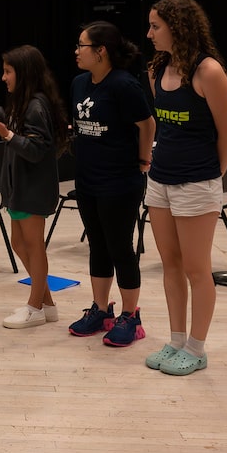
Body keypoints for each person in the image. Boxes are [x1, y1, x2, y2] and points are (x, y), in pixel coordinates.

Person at [143, 0, 227, 376]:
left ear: (177, 27)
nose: (149, 33)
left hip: (197, 184)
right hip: (160, 180)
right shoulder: (156, 70)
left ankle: (197, 348)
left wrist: (209, 177)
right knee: (171, 264)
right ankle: (177, 340)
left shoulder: (209, 71)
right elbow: (163, 128)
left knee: (198, 269)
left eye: (155, 26)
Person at [68, 21, 156, 346]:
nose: (77, 52)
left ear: (101, 51)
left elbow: (147, 125)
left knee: (121, 247)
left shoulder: (124, 85)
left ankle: (131, 317)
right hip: (88, 179)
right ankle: (101, 310)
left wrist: (143, 161)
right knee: (97, 245)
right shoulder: (79, 83)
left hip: (120, 181)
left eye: (82, 45)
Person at [0, 44, 69, 328]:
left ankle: (35, 306)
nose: (3, 77)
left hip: (33, 189)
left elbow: (37, 148)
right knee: (19, 243)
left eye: (7, 71)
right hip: (19, 188)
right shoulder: (24, 102)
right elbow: (18, 126)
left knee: (33, 246)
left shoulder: (36, 105)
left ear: (24, 73)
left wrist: (5, 133)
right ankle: (47, 305)